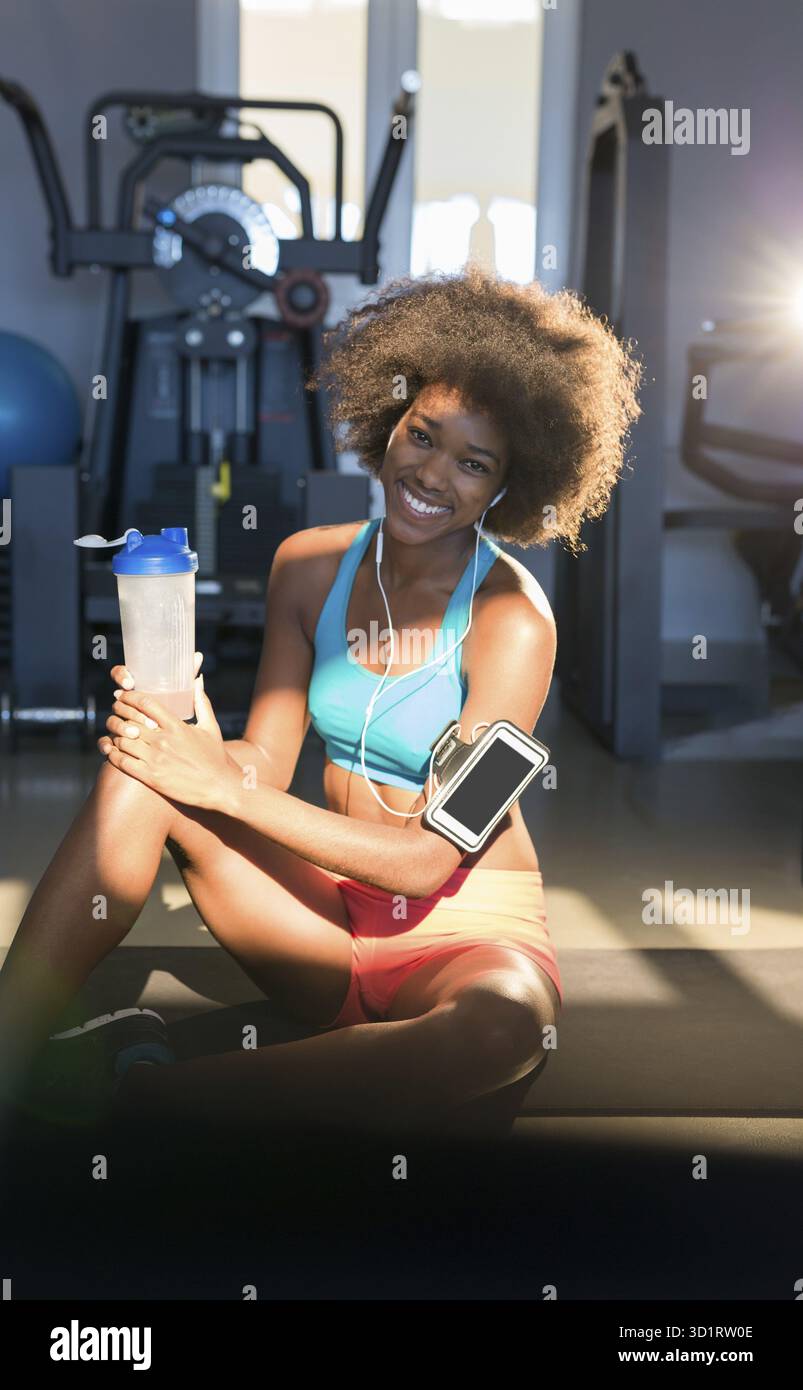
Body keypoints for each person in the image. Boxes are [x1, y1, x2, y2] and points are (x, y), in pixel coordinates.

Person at [0, 264, 641, 1138]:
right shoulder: (306, 565)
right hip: (323, 921)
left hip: (465, 931)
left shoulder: (512, 620)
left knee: (503, 1031)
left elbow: (425, 863)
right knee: (149, 759)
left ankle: (141, 1098)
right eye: (422, 436)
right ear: (388, 423)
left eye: (473, 463)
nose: (432, 474)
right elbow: (263, 760)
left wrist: (228, 789)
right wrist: (188, 726)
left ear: (506, 486)